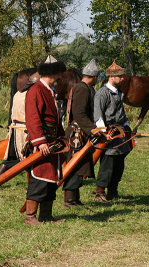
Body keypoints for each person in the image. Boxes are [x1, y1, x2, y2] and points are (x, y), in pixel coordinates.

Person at [24, 55, 67, 225]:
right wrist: (40, 142)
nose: (60, 77)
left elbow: (56, 119)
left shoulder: (51, 91)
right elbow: (33, 118)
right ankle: (30, 217)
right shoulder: (35, 90)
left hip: (53, 142)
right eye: (59, 74)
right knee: (39, 178)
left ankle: (46, 216)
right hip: (42, 143)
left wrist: (62, 136)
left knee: (51, 179)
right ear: (52, 73)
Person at [63, 59, 101, 207]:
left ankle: (74, 198)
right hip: (77, 134)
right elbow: (79, 114)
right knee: (75, 165)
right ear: (95, 77)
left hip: (81, 132)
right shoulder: (82, 88)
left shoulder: (83, 87)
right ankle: (69, 199)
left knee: (80, 166)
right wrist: (92, 129)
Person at [93, 61, 131, 202]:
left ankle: (113, 192)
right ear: (112, 77)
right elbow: (98, 115)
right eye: (120, 76)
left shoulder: (119, 92)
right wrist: (104, 133)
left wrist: (127, 127)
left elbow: (121, 113)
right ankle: (100, 193)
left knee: (119, 164)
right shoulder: (102, 93)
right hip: (109, 133)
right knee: (108, 163)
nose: (122, 78)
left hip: (120, 132)